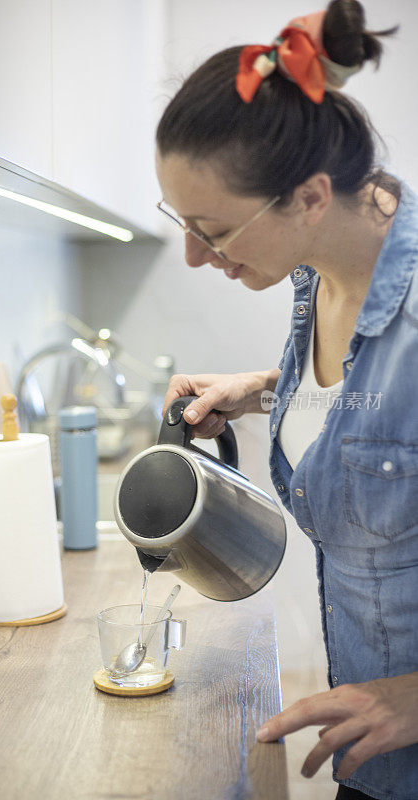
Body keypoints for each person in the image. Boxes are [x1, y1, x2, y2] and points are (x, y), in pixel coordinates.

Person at [155, 2, 418, 799]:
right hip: (373, 760)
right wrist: (271, 389)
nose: (196, 256)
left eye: (213, 230)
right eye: (180, 223)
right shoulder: (317, 271)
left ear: (306, 196)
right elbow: (384, 406)